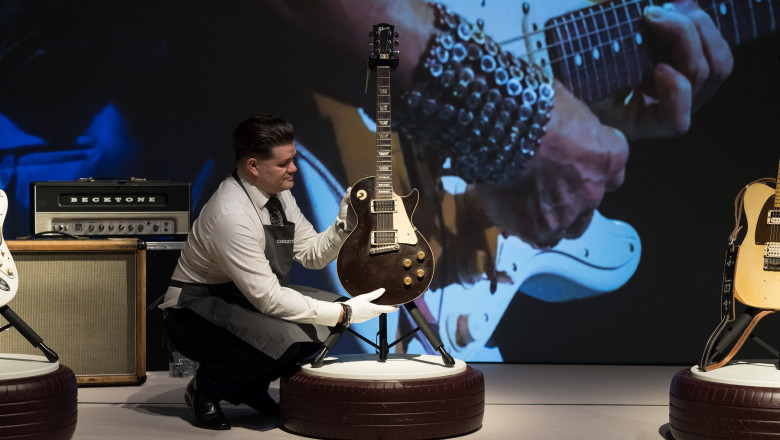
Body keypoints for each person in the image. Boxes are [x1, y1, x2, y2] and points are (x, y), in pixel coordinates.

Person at [155, 114, 398, 430]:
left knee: (323, 326)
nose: (294, 168)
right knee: (293, 334)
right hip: (194, 312)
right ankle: (205, 390)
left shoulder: (279, 196)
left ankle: (249, 388)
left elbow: (311, 254)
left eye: (293, 159)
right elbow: (269, 301)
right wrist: (345, 312)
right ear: (254, 166)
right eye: (284, 163)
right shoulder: (231, 215)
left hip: (241, 300)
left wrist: (344, 226)